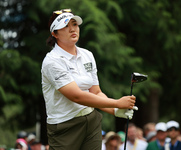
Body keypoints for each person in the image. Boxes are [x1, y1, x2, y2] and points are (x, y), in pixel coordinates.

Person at [41, 8, 137, 150]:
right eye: (66, 26)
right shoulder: (52, 61)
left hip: (91, 120)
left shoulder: (87, 55)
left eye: (75, 24)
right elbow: (77, 96)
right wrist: (116, 102)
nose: (72, 29)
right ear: (54, 33)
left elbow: (96, 93)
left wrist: (115, 110)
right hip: (64, 126)